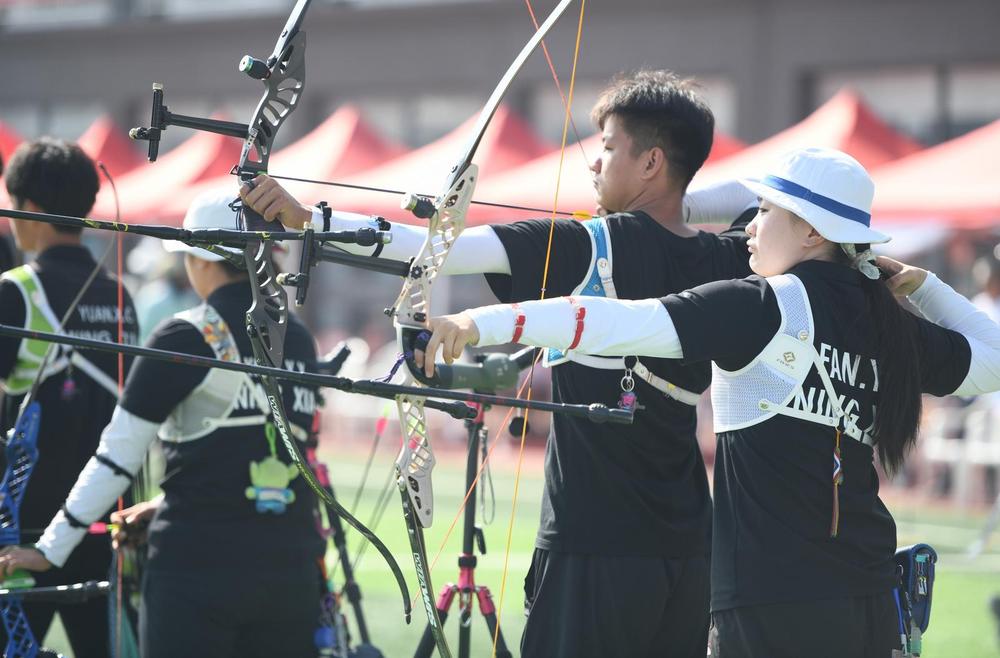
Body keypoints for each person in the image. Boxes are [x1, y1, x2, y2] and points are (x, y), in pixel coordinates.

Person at [241, 69, 758, 657]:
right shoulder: (730, 257)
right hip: (691, 548)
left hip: (594, 543)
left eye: (609, 148)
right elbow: (758, 195)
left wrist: (312, 220)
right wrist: (680, 200)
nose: (592, 164)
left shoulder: (590, 246)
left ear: (651, 163)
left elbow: (433, 250)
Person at [416, 147, 1000, 657]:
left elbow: (611, 320)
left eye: (765, 212)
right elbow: (992, 358)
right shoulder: (887, 322)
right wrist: (922, 284)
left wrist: (477, 320)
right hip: (872, 597)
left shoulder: (760, 305)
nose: (748, 226)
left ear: (813, 233)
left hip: (771, 605)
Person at [0, 191, 325, 658]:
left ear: (201, 260)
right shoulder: (299, 337)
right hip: (291, 573)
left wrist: (50, 549)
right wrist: (166, 499)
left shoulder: (186, 333)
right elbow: (278, 451)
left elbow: (117, 456)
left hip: (197, 573)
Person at [0, 137, 139, 656]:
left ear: (31, 209)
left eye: (12, 207)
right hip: (103, 527)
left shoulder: (16, 290)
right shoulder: (121, 294)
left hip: (23, 530)